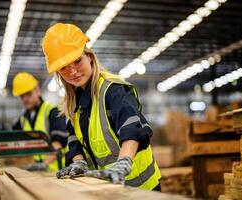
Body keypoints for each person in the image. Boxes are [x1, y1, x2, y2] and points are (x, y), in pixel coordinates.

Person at [42, 23, 161, 191]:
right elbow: (74, 139)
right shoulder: (74, 102)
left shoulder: (114, 91)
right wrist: (79, 162)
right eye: (64, 67)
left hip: (142, 190)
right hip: (109, 190)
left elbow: (132, 128)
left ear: (90, 57)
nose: (73, 71)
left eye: (77, 61)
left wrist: (123, 164)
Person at [12, 72, 68, 171]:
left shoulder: (53, 111)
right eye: (22, 96)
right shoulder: (23, 119)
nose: (25, 99)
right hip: (40, 171)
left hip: (60, 169)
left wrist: (43, 165)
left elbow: (58, 144)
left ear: (38, 91)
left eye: (28, 94)